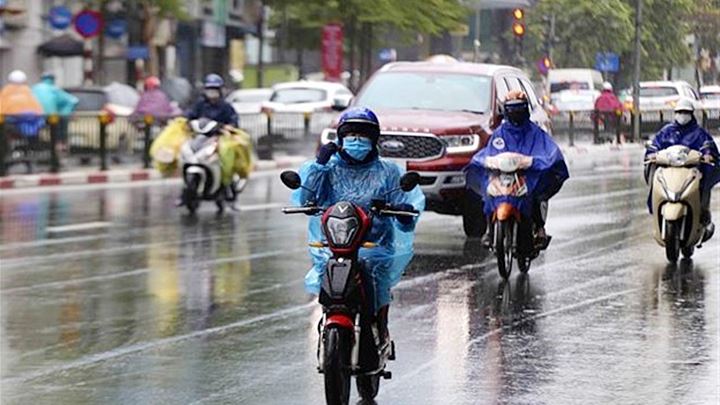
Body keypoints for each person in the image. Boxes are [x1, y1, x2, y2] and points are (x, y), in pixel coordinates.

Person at [291, 107, 425, 347]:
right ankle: (328, 314)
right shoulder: (328, 169)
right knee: (327, 272)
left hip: (374, 244)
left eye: (363, 135)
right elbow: (306, 200)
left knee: (375, 275)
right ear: (340, 138)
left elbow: (406, 209)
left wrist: (401, 211)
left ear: (374, 139)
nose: (356, 140)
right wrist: (319, 164)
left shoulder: (388, 172)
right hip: (333, 244)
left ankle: (379, 326)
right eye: (351, 134)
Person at [466, 90, 569, 247]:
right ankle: (489, 228)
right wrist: (485, 161)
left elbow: (548, 152)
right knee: (489, 190)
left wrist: (534, 162)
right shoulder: (500, 133)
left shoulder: (535, 133)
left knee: (534, 192)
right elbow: (490, 151)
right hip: (503, 176)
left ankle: (539, 228)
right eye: (512, 109)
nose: (515, 113)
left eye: (519, 108)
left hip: (527, 175)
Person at [644, 98, 719, 237]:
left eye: (685, 112)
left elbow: (707, 146)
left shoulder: (699, 133)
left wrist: (707, 155)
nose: (682, 115)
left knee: (703, 183)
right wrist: (652, 154)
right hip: (669, 170)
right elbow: (655, 145)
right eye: (679, 112)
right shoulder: (667, 132)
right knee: (655, 177)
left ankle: (703, 212)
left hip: (691, 171)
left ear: (691, 114)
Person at [31, 72, 79, 149]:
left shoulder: (34, 88)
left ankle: (34, 146)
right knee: (59, 124)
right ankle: (60, 144)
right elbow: (73, 100)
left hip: (35, 116)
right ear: (52, 79)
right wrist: (66, 112)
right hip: (52, 117)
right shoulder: (54, 89)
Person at [0, 70, 45, 137]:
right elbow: (38, 107)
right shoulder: (28, 90)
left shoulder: (6, 91)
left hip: (11, 119)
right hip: (30, 118)